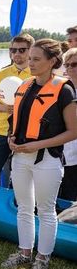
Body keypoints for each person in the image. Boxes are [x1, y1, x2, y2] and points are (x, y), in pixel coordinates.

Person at [2, 39, 77, 269]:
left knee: (45, 210)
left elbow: (73, 131)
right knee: (24, 208)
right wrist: (10, 139)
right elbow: (15, 122)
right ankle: (25, 253)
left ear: (52, 61)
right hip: (20, 158)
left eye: (36, 59)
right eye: (30, 58)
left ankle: (42, 258)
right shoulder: (24, 85)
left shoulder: (64, 90)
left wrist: (37, 145)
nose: (30, 63)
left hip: (47, 160)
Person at [0, 34, 34, 186]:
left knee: (21, 176)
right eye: (13, 50)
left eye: (22, 50)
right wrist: (8, 108)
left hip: (26, 133)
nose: (16, 54)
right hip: (0, 131)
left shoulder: (36, 74)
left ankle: (17, 206)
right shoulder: (1, 74)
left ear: (31, 50)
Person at [59, 47, 77, 201]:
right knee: (65, 187)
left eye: (75, 64)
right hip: (65, 147)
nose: (70, 68)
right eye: (67, 64)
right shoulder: (63, 89)